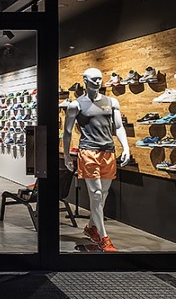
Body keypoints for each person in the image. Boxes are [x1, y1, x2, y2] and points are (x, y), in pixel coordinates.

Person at [63, 67, 130, 252]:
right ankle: (103, 237)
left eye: (100, 79)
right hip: (88, 151)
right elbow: (67, 132)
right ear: (85, 81)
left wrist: (126, 147)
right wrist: (67, 155)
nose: (98, 82)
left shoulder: (112, 102)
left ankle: (92, 227)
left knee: (103, 194)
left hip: (108, 151)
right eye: (94, 79)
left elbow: (118, 127)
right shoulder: (76, 105)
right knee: (97, 194)